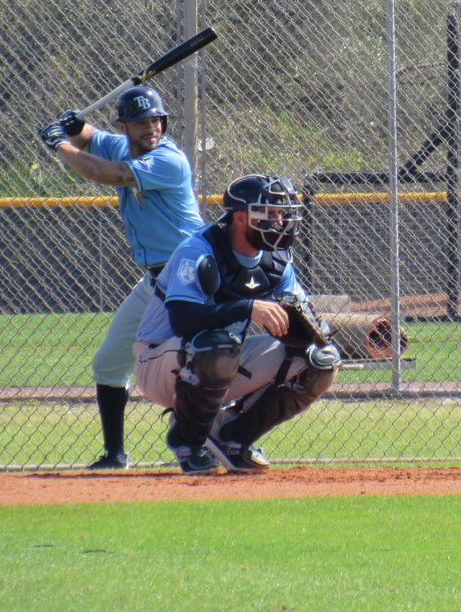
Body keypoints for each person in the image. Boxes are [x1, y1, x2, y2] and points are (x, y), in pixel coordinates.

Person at [38, 87, 205, 470]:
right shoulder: (120, 144)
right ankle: (114, 455)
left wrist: (59, 145)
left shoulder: (168, 160)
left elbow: (101, 172)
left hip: (188, 276)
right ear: (124, 126)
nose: (151, 128)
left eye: (156, 121)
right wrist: (75, 126)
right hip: (155, 281)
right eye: (141, 122)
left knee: (199, 361)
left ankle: (214, 441)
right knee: (109, 364)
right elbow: (92, 138)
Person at [133, 174, 341, 474]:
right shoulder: (199, 251)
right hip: (159, 362)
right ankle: (188, 441)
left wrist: (309, 328)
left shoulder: (277, 260)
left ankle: (232, 436)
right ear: (241, 218)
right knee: (217, 343)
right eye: (270, 213)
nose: (280, 221)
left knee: (318, 360)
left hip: (218, 360)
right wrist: (247, 308)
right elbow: (183, 321)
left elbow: (301, 316)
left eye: (282, 213)